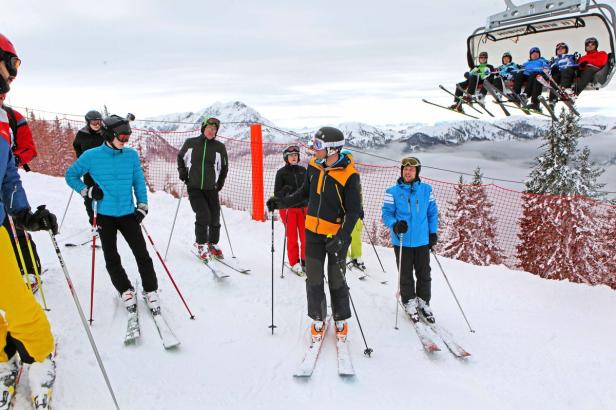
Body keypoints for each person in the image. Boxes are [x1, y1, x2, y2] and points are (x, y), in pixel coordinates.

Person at [0, 31, 57, 409]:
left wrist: (22, 212)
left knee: (18, 304)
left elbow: (8, 175)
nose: (14, 74)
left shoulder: (3, 118)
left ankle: (39, 357)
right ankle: (5, 355)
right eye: (13, 63)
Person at [266, 127, 362, 343]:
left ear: (332, 149)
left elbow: (354, 210)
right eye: (314, 143)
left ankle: (340, 318)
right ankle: (318, 318)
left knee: (337, 279)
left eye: (318, 145)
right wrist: (281, 202)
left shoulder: (349, 175)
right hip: (313, 233)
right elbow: (304, 194)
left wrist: (343, 236)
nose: (313, 148)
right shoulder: (313, 166)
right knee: (314, 278)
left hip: (335, 236)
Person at [65, 114, 161, 316]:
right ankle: (125, 290)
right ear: (109, 135)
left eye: (128, 137)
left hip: (128, 213)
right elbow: (70, 175)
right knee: (111, 256)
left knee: (142, 254)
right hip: (104, 215)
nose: (125, 141)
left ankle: (150, 290)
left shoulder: (131, 156)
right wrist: (87, 191)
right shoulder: (91, 156)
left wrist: (142, 205)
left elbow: (138, 182)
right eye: (122, 137)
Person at [381, 157, 438, 323]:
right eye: (405, 169)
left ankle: (423, 301)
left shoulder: (427, 190)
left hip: (422, 240)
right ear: (401, 171)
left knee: (424, 273)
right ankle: (409, 302)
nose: (408, 172)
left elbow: (432, 213)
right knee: (405, 274)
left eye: (411, 169)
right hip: (402, 240)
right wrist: (395, 224)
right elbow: (386, 214)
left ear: (417, 172)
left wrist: (432, 233)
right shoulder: (391, 192)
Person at [0, 91, 42, 289]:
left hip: (7, 180)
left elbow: (29, 148)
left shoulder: (12, 117)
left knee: (14, 226)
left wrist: (14, 159)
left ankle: (30, 270)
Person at [177, 117, 228, 261]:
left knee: (215, 216)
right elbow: (180, 157)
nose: (211, 131)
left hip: (211, 188)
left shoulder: (219, 147)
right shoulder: (191, 143)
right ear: (203, 128)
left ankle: (212, 243)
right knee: (203, 214)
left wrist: (220, 183)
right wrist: (182, 172)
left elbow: (224, 167)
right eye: (209, 128)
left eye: (214, 129)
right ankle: (201, 244)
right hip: (194, 187)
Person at [273, 145, 307, 275]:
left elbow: (308, 189)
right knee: (292, 237)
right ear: (286, 158)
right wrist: (285, 191)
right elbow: (277, 194)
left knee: (305, 237)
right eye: (291, 155)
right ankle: (295, 262)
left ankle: (305, 260)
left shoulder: (303, 170)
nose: (294, 157)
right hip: (288, 209)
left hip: (304, 208)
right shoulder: (281, 172)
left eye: (296, 155)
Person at [72, 110, 105, 224]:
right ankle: (94, 221)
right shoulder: (82, 134)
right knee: (90, 195)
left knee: (106, 193)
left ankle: (111, 220)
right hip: (89, 170)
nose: (97, 124)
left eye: (99, 122)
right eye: (94, 122)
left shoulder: (105, 133)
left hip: (105, 169)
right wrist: (82, 159)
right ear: (88, 122)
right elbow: (76, 146)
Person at [512, 46, 550, 111]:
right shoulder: (526, 63)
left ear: (539, 55)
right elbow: (521, 69)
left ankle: (526, 95)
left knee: (533, 75)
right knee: (520, 74)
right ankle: (516, 95)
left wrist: (545, 69)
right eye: (533, 54)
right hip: (527, 76)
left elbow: (547, 67)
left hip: (537, 74)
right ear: (530, 55)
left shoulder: (542, 61)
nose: (535, 55)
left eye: (536, 54)